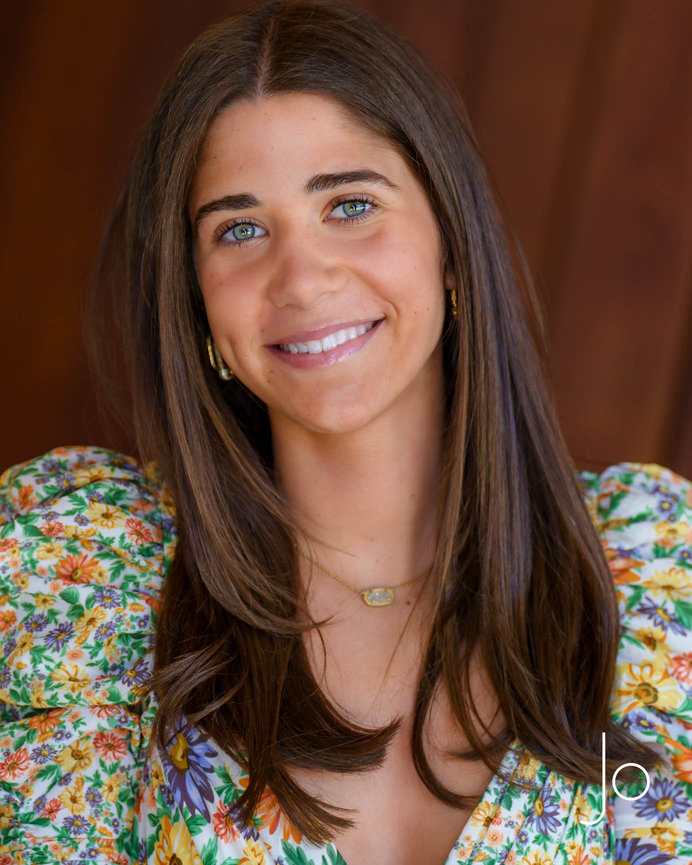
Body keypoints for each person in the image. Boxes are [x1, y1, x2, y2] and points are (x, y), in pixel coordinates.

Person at [1, 1, 691, 863]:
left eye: (351, 204)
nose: (301, 276)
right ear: (197, 301)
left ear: (448, 240)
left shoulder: (660, 560)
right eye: (240, 229)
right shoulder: (85, 561)